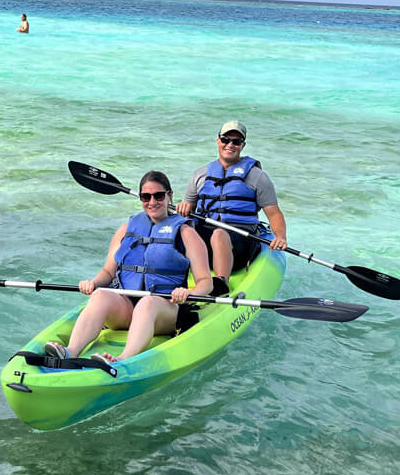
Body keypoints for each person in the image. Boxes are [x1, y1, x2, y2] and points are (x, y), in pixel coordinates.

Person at [44, 171, 212, 365]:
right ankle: (70, 351)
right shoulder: (127, 229)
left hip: (165, 309)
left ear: (169, 195)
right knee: (100, 295)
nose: (152, 202)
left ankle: (123, 359)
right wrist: (93, 283)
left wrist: (188, 294)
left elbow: (206, 282)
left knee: (147, 304)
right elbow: (108, 271)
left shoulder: (186, 233)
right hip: (126, 307)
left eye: (158, 196)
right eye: (146, 197)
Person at [175, 120, 286, 295]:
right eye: (225, 140)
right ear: (218, 141)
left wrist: (280, 236)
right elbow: (187, 212)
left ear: (243, 145)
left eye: (236, 141)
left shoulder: (257, 177)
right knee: (177, 232)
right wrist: (183, 209)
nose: (230, 145)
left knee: (219, 234)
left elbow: (273, 213)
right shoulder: (200, 175)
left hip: (240, 242)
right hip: (204, 244)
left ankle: (221, 283)